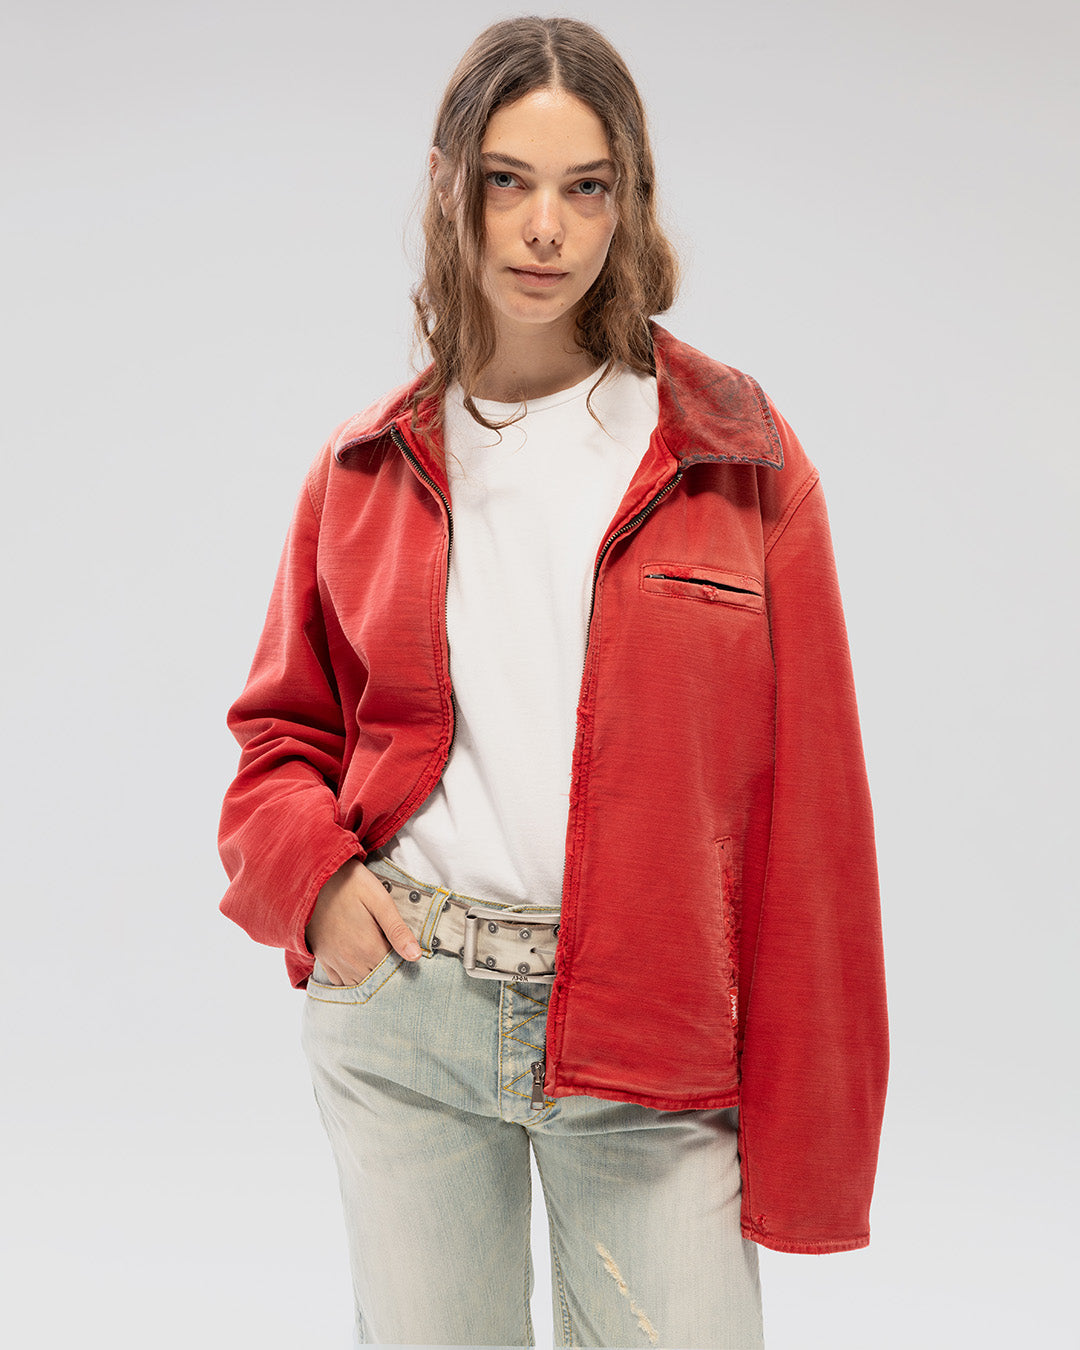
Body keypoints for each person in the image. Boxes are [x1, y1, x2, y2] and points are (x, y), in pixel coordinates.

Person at [217, 15, 889, 1349]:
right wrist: (323, 888)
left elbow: (813, 814)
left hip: (655, 1035)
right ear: (447, 188)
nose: (544, 229)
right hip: (411, 1010)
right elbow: (279, 740)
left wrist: (816, 1125)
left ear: (628, 200)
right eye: (506, 182)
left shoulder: (735, 458)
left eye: (586, 186)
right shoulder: (363, 470)